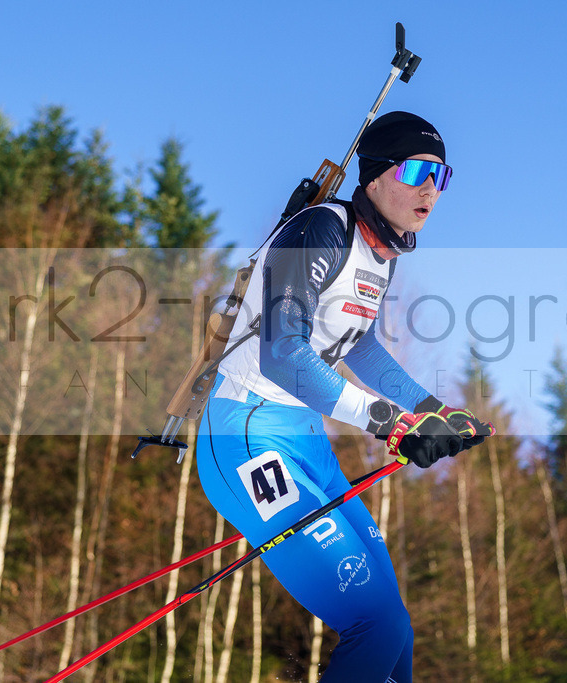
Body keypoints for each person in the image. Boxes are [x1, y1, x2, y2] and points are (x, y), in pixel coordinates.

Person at [195, 111, 493, 682]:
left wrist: (433, 412)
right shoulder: (322, 230)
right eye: (416, 171)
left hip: (305, 441)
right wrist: (390, 423)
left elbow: (363, 348)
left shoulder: (379, 252)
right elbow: (283, 352)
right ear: (376, 176)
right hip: (247, 439)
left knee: (395, 628)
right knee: (374, 623)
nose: (431, 188)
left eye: (442, 175)